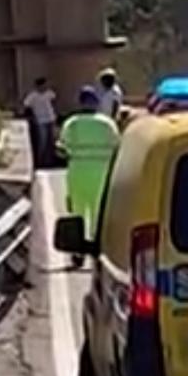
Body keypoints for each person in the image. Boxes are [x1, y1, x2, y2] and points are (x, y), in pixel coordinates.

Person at [59, 86, 121, 268]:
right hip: (101, 173)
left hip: (77, 173)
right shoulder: (107, 124)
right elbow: (117, 146)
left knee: (77, 212)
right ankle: (97, 250)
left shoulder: (72, 123)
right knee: (98, 214)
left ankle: (78, 252)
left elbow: (62, 148)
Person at [23, 77, 58, 169]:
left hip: (50, 118)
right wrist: (32, 117)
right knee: (42, 141)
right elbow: (26, 106)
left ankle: (50, 161)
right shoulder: (32, 96)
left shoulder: (49, 93)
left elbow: (54, 100)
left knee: (51, 141)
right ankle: (40, 161)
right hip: (40, 120)